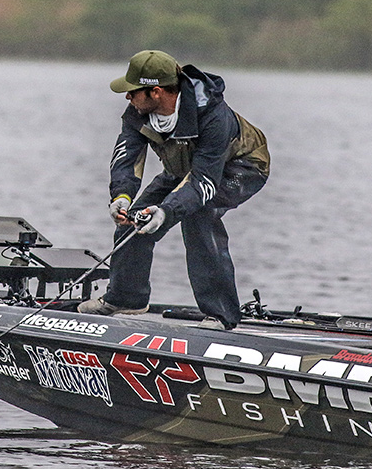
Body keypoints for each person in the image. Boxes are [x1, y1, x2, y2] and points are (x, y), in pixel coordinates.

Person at [77, 50, 270, 330]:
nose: (127, 97)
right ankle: (126, 298)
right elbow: (126, 159)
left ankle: (221, 315)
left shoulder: (213, 116)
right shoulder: (137, 114)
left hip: (241, 167)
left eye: (133, 91)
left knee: (199, 214)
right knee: (134, 218)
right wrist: (121, 197)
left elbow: (204, 181)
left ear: (156, 92)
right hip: (184, 167)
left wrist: (166, 211)